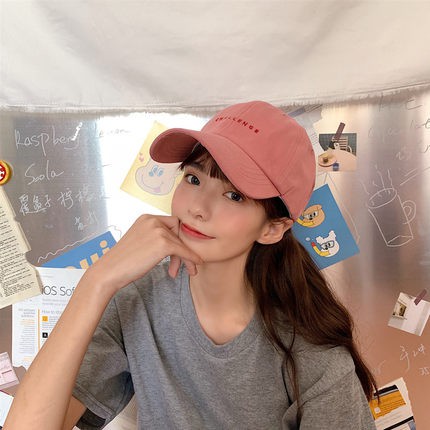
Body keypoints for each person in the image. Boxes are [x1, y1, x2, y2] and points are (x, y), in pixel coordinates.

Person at [4, 101, 378, 430]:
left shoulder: (311, 348)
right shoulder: (138, 298)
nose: (197, 207)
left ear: (272, 228)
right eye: (194, 178)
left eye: (234, 195)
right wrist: (97, 281)